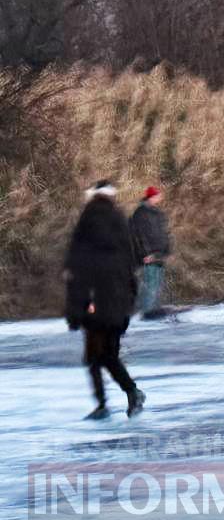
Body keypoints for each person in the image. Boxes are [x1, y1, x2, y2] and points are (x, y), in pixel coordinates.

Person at [64, 180, 145, 420]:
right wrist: (130, 299)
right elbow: (133, 262)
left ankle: (108, 402)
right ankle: (127, 394)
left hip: (95, 301)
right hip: (119, 303)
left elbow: (78, 265)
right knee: (108, 354)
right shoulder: (120, 220)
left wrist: (77, 306)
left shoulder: (88, 220)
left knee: (95, 356)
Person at [130, 185, 171, 319]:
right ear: (151, 197)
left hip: (159, 253)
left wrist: (167, 250)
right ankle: (145, 313)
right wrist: (145, 253)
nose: (159, 198)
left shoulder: (158, 213)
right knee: (150, 284)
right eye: (157, 196)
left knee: (157, 283)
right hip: (149, 254)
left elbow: (164, 233)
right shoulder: (141, 213)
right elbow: (138, 235)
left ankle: (153, 311)